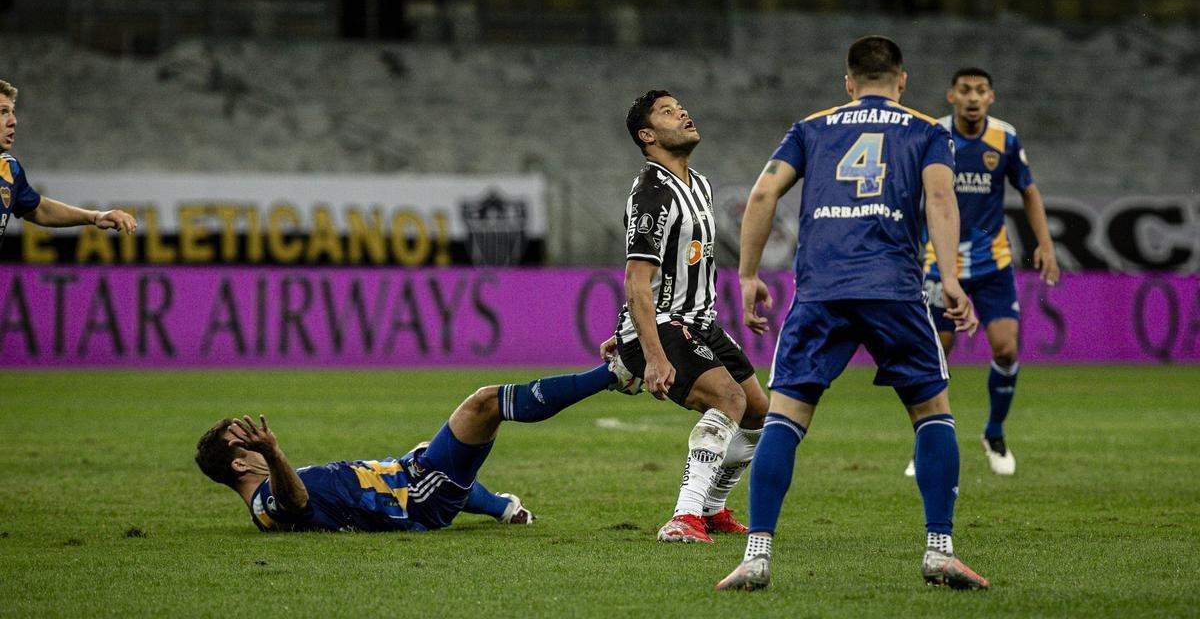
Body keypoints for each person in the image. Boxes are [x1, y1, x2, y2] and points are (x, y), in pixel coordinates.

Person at [716, 36, 989, 591]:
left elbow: (764, 195)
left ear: (848, 82)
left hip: (822, 289)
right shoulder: (928, 131)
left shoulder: (811, 128)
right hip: (894, 289)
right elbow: (940, 199)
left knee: (785, 418)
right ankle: (939, 550)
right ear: (902, 80)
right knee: (933, 411)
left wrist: (746, 277)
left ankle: (756, 556)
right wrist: (953, 279)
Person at [600, 89, 770, 545]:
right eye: (668, 112)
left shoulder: (700, 184)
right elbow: (637, 282)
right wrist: (649, 353)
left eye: (682, 107)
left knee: (758, 411)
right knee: (729, 400)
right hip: (662, 325)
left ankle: (712, 509)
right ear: (648, 135)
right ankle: (684, 516)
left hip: (700, 322)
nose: (683, 113)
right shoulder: (652, 195)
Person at [195, 364, 625, 532]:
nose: (255, 438)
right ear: (237, 462)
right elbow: (296, 501)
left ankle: (504, 509)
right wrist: (273, 452)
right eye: (245, 438)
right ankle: (615, 373)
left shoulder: (265, 497)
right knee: (484, 403)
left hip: (408, 477)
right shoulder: (267, 502)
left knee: (431, 450)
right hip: (416, 497)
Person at [908, 67, 1059, 477]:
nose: (973, 97)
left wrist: (1045, 244)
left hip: (993, 263)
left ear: (991, 97)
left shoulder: (1005, 138)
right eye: (965, 90)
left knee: (1006, 348)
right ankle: (926, 441)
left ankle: (993, 432)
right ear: (951, 95)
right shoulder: (932, 134)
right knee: (935, 352)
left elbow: (1028, 191)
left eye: (980, 91)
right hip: (941, 262)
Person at [0, 79, 137, 246]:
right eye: (3, 112)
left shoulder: (9, 169)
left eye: (13, 112)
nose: (13, 121)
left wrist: (96, 216)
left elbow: (39, 210)